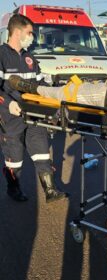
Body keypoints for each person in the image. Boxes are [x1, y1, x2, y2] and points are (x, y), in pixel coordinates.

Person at [0, 14, 67, 203]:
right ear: (18, 31)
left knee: (42, 152)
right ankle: (13, 188)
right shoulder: (1, 55)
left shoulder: (30, 57)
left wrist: (56, 96)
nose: (32, 36)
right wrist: (7, 103)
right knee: (15, 159)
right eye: (30, 32)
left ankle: (50, 190)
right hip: (11, 117)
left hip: (34, 114)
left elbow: (40, 85)